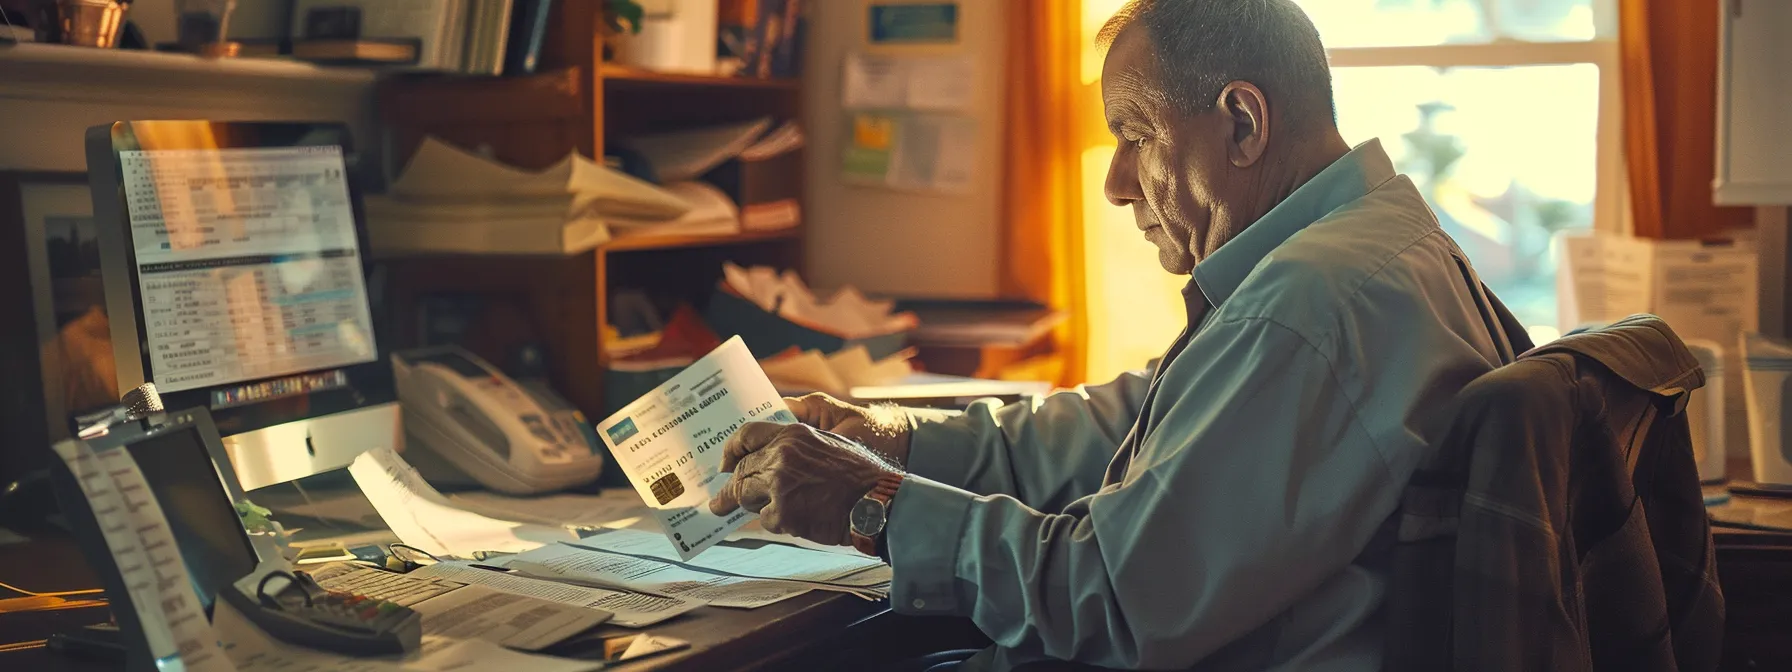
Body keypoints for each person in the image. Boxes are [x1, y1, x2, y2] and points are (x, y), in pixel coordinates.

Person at [709, 1, 1531, 669]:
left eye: (1134, 135)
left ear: (1242, 123)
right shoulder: (1374, 242)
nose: (1112, 183)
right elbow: (1128, 422)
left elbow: (1112, 598)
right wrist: (895, 442)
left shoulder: (1308, 308)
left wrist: (869, 502)